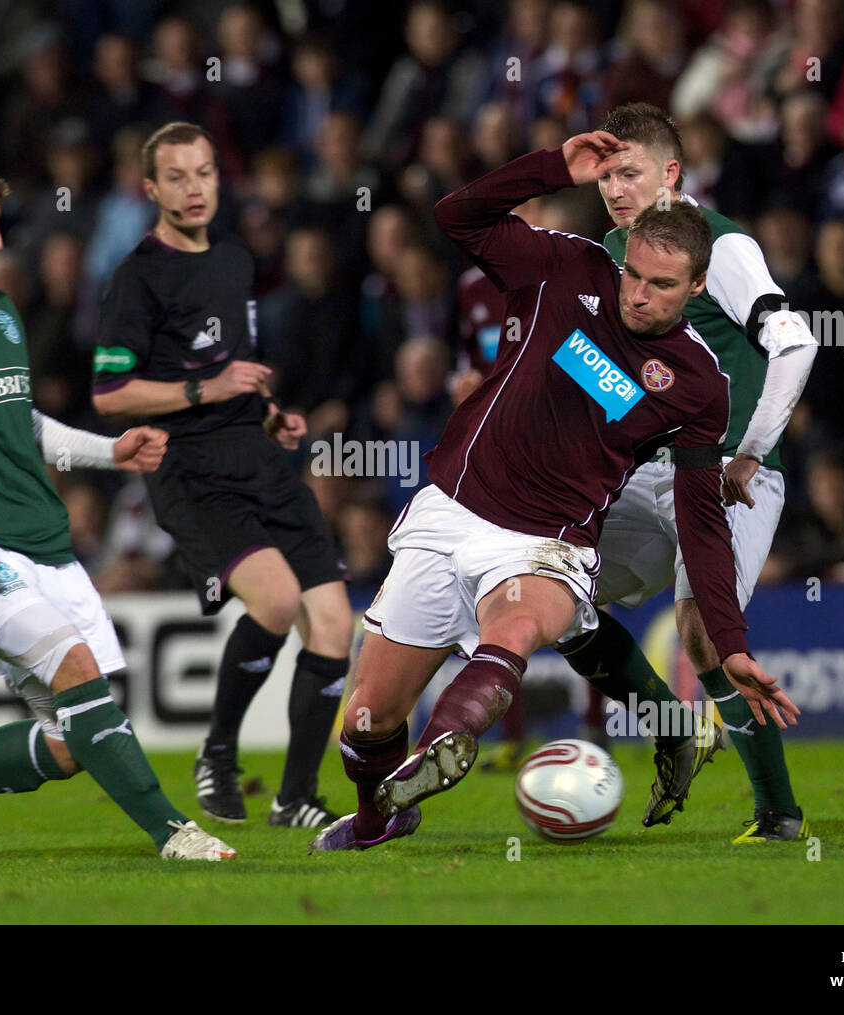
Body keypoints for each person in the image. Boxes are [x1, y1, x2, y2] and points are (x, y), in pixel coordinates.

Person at [313, 132, 799, 852]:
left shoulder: (698, 385)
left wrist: (729, 643)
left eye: (661, 286)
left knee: (516, 628)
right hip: (452, 508)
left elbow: (701, 520)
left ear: (697, 289)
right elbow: (456, 215)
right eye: (633, 273)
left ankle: (445, 747)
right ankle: (383, 811)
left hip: (549, 542)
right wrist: (548, 169)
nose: (637, 294)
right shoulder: (564, 265)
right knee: (366, 719)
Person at [0, 157, 235, 863]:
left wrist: (107, 451)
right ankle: (174, 833)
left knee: (73, 741)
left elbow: (18, 422)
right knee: (76, 666)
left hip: (45, 541)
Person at [560, 103, 818, 842]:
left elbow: (795, 345)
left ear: (671, 174)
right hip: (648, 475)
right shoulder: (611, 252)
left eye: (629, 171)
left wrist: (753, 450)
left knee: (702, 631)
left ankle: (778, 813)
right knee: (549, 589)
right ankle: (674, 726)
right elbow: (597, 365)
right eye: (605, 174)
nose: (613, 187)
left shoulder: (724, 247)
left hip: (728, 472)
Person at [91, 122, 354, 829]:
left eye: (204, 172)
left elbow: (233, 365)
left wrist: (270, 414)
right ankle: (216, 753)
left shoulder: (235, 261)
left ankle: (296, 795)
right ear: (150, 188)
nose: (194, 187)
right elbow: (109, 396)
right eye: (176, 176)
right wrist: (207, 390)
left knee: (334, 621)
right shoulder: (137, 277)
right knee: (274, 601)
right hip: (189, 468)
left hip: (257, 454)